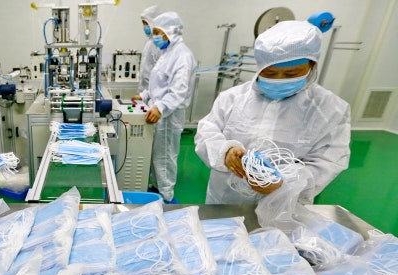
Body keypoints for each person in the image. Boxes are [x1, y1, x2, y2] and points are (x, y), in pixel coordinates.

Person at [194, 20, 351, 205]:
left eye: (291, 74)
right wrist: (225, 152)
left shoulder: (331, 110)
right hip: (226, 201)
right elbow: (207, 132)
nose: (279, 79)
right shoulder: (232, 98)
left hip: (284, 208)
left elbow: (328, 162)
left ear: (312, 66)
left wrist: (284, 183)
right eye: (269, 72)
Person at [131, 12, 197, 204]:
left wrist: (160, 107)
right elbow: (158, 83)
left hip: (169, 116)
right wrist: (143, 96)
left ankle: (166, 196)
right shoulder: (167, 54)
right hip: (158, 111)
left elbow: (178, 90)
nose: (155, 37)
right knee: (154, 153)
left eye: (158, 32)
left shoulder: (182, 56)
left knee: (166, 155)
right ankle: (156, 187)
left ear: (171, 32)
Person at [137, 5, 162, 93]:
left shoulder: (159, 44)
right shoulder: (149, 42)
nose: (144, 26)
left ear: (152, 22)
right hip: (144, 90)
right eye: (143, 23)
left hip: (153, 92)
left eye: (145, 23)